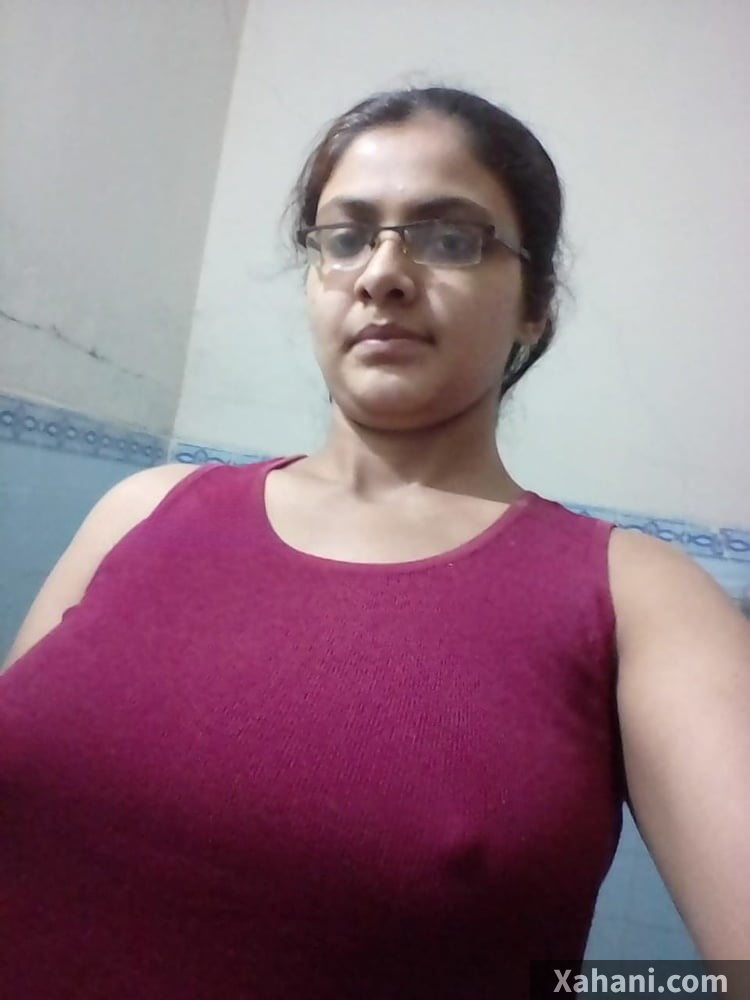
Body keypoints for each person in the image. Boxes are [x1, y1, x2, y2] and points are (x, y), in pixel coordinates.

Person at [2, 86, 748, 999]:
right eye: (348, 236)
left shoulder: (635, 597)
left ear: (536, 305)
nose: (382, 274)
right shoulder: (140, 510)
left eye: (450, 238)